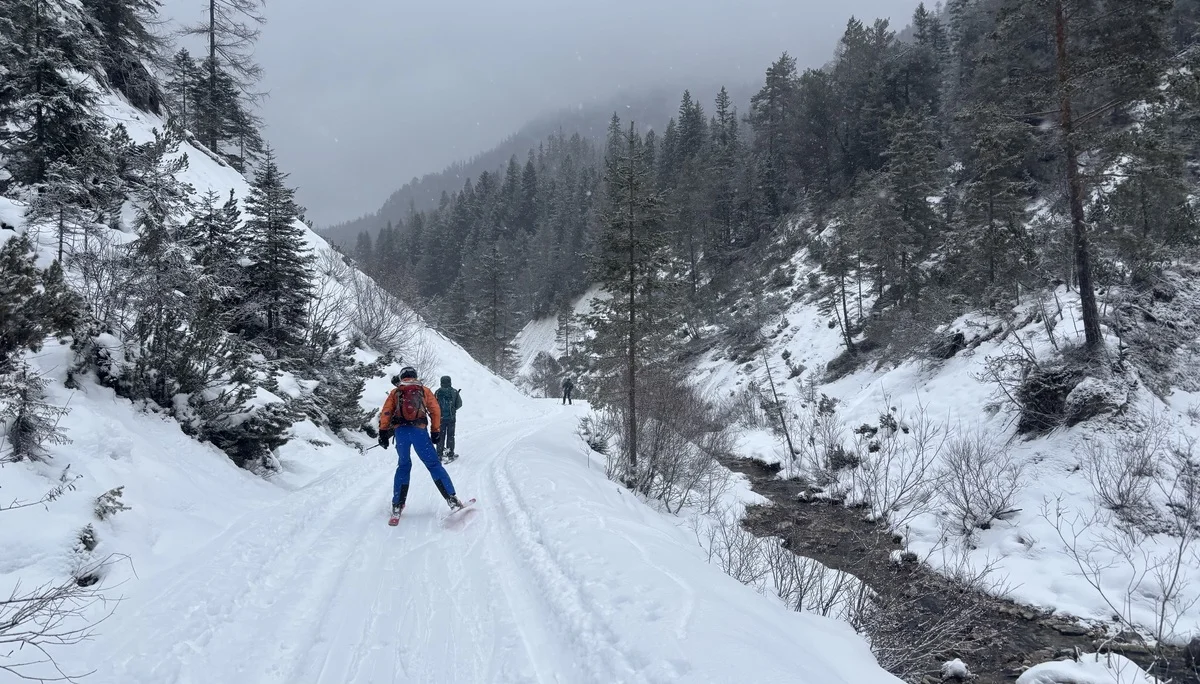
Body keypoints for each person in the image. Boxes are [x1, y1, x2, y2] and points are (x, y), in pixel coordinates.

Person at [378, 366, 464, 516]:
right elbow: (435, 410)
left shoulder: (396, 392)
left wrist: (383, 432)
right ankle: (452, 499)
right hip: (419, 431)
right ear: (415, 376)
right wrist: (435, 431)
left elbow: (386, 411)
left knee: (403, 466)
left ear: (402, 377)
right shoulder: (424, 390)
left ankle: (397, 504)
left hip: (401, 433)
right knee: (433, 465)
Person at [434, 375, 462, 462]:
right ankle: (450, 454)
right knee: (450, 436)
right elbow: (459, 404)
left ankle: (439, 454)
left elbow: (433, 405)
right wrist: (453, 409)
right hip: (451, 418)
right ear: (450, 381)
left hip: (440, 419)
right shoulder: (454, 392)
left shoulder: (437, 392)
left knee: (441, 436)